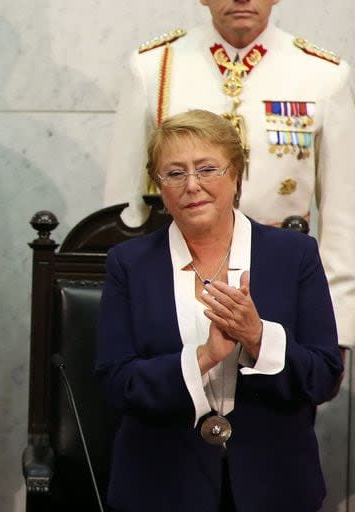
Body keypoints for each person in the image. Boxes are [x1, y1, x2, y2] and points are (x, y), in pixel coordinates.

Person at [95, 110, 342, 511]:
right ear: (159, 185)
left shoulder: (294, 255)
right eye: (174, 173)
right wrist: (204, 357)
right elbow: (115, 382)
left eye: (207, 169)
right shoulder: (129, 263)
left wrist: (257, 337)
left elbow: (323, 376)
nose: (191, 185)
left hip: (276, 484)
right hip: (160, 484)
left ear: (236, 175)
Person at [103, 0, 355, 345]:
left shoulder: (323, 75)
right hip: (178, 276)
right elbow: (123, 208)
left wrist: (337, 328)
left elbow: (343, 216)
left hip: (282, 278)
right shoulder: (153, 67)